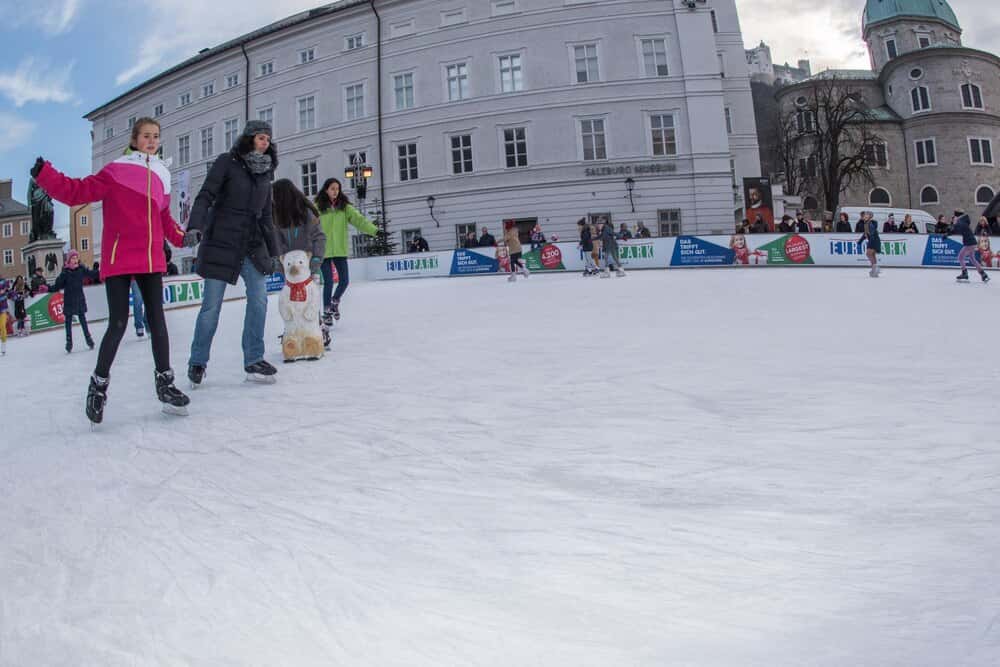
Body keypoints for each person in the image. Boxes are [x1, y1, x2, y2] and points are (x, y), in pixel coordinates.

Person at [32, 117, 193, 423]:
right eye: (146, 136)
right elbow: (76, 191)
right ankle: (98, 387)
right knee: (118, 323)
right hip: (120, 257)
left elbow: (164, 219)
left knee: (158, 319)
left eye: (156, 136)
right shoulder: (116, 170)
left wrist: (184, 237)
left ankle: (165, 384)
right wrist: (46, 174)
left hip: (150, 258)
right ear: (134, 139)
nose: (151, 141)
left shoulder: (162, 175)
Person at [186, 120, 280, 388]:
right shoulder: (227, 162)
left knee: (259, 299)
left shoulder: (265, 174)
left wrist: (274, 253)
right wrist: (195, 225)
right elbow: (205, 195)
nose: (266, 142)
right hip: (222, 242)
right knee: (211, 308)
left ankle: (253, 358)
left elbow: (265, 216)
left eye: (268, 139)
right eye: (261, 137)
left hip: (252, 244)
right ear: (249, 139)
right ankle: (198, 361)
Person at [272, 178, 327, 348]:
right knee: (292, 300)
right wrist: (279, 264)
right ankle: (293, 330)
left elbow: (319, 237)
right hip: (290, 269)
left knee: (312, 298)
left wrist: (316, 259)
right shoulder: (276, 217)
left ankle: (318, 328)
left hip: (310, 265)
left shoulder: (306, 214)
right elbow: (276, 244)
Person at [314, 177, 376, 325]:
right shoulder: (318, 208)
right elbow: (310, 225)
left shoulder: (344, 207)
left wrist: (374, 231)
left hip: (340, 250)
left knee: (345, 281)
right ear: (326, 190)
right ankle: (327, 312)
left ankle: (335, 301)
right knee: (328, 282)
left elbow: (358, 220)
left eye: (337, 189)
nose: (335, 191)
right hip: (324, 250)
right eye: (332, 189)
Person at [50, 250, 99, 352]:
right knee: (68, 322)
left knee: (83, 321)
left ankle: (89, 340)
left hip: (79, 298)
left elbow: (92, 274)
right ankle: (69, 342)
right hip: (69, 300)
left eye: (76, 258)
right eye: (73, 258)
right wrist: (48, 288)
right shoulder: (65, 272)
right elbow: (57, 285)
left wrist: (100, 271)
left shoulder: (81, 269)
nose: (75, 260)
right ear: (69, 260)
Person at [949, 212, 990, 282]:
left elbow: (954, 230)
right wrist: (948, 232)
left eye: (954, 220)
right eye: (953, 220)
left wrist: (947, 234)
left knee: (960, 257)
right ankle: (983, 274)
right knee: (972, 258)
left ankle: (965, 273)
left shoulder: (960, 224)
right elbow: (954, 230)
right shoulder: (962, 223)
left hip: (969, 243)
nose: (954, 221)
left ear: (957, 219)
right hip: (972, 243)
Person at [858, 211, 882, 277]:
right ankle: (874, 269)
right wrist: (860, 241)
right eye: (864, 215)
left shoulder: (870, 223)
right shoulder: (866, 223)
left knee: (868, 254)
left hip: (874, 240)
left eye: (867, 215)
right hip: (873, 240)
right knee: (872, 254)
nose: (865, 216)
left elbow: (872, 233)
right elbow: (865, 234)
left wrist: (871, 240)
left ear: (870, 217)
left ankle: (875, 268)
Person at [0, 279, 8, 356]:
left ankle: (3, 347)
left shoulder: (3, 281)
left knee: (2, 327)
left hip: (2, 310)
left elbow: (7, 291)